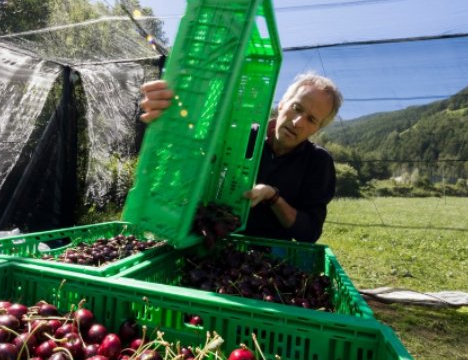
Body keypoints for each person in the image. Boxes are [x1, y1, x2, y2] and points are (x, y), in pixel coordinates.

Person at [139, 72, 343, 243]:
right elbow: (192, 150)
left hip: (269, 257)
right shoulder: (242, 135)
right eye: (297, 108)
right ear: (281, 104)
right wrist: (171, 113)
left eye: (311, 119)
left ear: (318, 128)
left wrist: (273, 197)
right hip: (210, 240)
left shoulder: (318, 162)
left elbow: (309, 233)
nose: (298, 122)